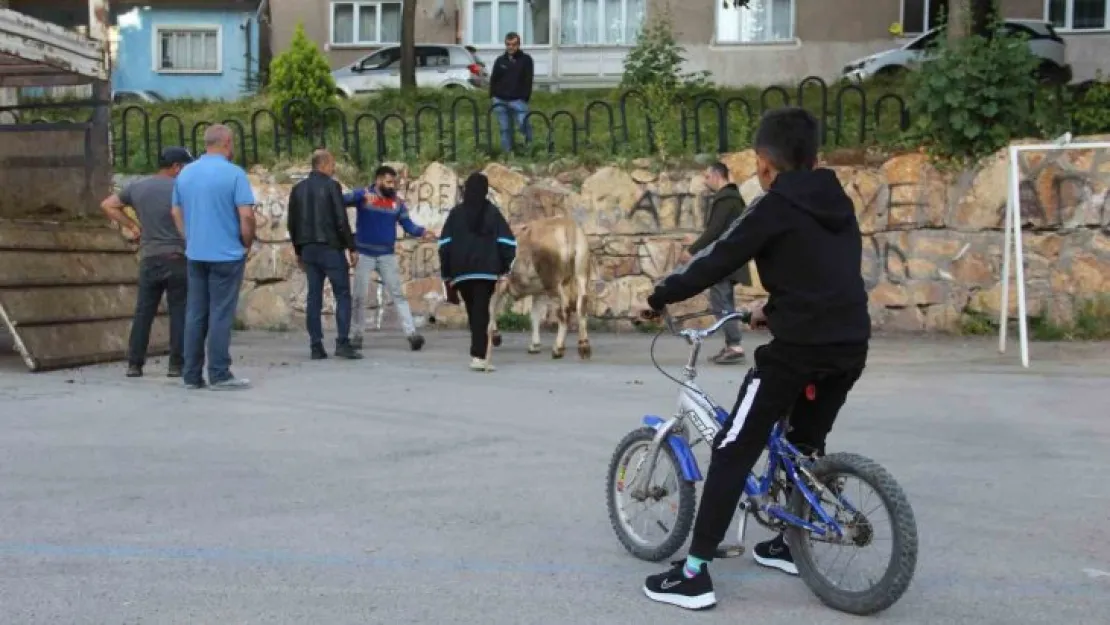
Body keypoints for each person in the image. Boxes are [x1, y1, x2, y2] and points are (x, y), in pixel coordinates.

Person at [637, 107, 871, 611]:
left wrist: (660, 297)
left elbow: (717, 261)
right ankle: (790, 542)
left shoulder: (771, 207)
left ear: (764, 164)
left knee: (732, 449)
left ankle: (695, 573)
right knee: (803, 444)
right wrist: (773, 308)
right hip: (850, 343)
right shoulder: (839, 200)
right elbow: (825, 272)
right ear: (815, 157)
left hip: (798, 351)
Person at [171, 124, 256, 391]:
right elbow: (247, 215)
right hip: (226, 255)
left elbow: (175, 212)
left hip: (196, 253)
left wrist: (190, 238)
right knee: (220, 314)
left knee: (195, 313)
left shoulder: (185, 174)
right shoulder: (234, 174)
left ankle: (191, 374)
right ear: (227, 142)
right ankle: (219, 373)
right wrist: (246, 242)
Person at [100, 146, 194, 378]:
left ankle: (134, 364)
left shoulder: (137, 187)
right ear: (176, 167)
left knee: (144, 312)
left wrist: (132, 226)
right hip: (177, 257)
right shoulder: (184, 188)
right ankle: (176, 365)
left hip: (150, 257)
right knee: (179, 312)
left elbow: (107, 205)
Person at [344, 165, 435, 351]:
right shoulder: (365, 196)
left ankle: (412, 335)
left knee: (398, 295)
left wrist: (422, 232)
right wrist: (360, 196)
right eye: (388, 182)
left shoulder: (397, 203)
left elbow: (408, 224)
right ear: (378, 180)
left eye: (394, 182)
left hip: (387, 255)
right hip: (364, 253)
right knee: (360, 297)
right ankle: (356, 335)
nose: (392, 185)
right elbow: (341, 200)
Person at [437, 173, 516, 371]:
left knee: (474, 312)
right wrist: (505, 267)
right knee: (481, 311)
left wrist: (447, 274)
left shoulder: (456, 214)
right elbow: (508, 242)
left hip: (461, 273)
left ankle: (478, 349)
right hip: (486, 273)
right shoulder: (492, 213)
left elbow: (444, 245)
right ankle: (479, 355)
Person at [287, 149, 362, 361]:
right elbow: (341, 219)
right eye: (332, 164)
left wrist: (298, 251)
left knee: (314, 297)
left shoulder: (298, 189)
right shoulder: (331, 186)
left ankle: (316, 345)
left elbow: (292, 223)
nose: (334, 168)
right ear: (324, 164)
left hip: (308, 249)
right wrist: (351, 247)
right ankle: (342, 342)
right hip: (330, 247)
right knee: (342, 294)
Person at [681, 161, 748, 365]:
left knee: (721, 302)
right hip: (730, 259)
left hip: (725, 262)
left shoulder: (726, 199)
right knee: (724, 301)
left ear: (718, 176)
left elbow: (715, 230)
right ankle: (732, 345)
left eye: (707, 176)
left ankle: (735, 346)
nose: (706, 180)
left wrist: (691, 251)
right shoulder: (732, 199)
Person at [488, 31, 534, 153]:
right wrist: (492, 95)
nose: (511, 47)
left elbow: (528, 79)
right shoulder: (500, 60)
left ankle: (530, 149)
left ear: (518, 45)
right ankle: (508, 153)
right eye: (508, 44)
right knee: (505, 129)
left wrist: (525, 97)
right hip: (500, 100)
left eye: (514, 44)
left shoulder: (526, 60)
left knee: (523, 125)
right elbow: (494, 78)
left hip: (518, 100)